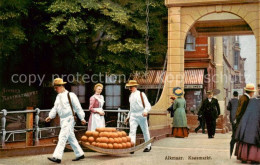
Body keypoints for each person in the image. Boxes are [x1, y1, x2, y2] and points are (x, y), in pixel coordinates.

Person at [45, 78, 86, 163]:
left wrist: (82, 118)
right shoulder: (58, 96)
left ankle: (57, 157)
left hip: (70, 118)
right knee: (71, 137)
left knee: (62, 137)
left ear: (61, 86)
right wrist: (50, 116)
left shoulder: (71, 95)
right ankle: (80, 154)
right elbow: (55, 107)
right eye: (55, 88)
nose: (55, 89)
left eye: (56, 88)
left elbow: (78, 107)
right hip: (63, 119)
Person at [124, 80, 152, 153]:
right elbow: (131, 108)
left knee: (145, 130)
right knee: (132, 131)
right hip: (133, 115)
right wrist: (128, 116)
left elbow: (148, 105)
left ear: (135, 86)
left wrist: (145, 111)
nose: (130, 88)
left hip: (141, 114)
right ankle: (132, 147)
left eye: (131, 87)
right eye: (129, 87)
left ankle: (148, 146)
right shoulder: (130, 96)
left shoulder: (141, 94)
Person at [234, 88, 260, 163]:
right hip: (255, 124)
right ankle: (254, 157)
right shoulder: (249, 100)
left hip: (248, 123)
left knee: (247, 138)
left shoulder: (252, 100)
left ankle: (244, 156)